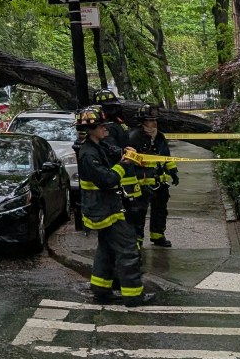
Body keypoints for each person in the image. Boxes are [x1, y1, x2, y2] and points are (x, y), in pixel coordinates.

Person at [74, 105, 152, 306]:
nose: (106, 128)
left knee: (107, 251)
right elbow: (107, 179)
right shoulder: (88, 154)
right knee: (128, 248)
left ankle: (101, 290)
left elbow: (114, 151)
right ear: (91, 129)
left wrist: (128, 153)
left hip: (106, 207)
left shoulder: (98, 145)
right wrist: (124, 164)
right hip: (104, 210)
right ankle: (134, 296)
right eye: (102, 125)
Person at [125, 103, 178, 248]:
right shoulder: (134, 137)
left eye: (155, 120)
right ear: (142, 121)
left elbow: (166, 156)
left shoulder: (159, 136)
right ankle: (138, 240)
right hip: (142, 182)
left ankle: (158, 235)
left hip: (160, 181)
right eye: (150, 120)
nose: (154, 123)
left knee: (160, 210)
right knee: (139, 212)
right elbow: (129, 162)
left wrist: (173, 171)